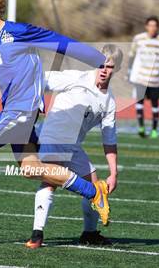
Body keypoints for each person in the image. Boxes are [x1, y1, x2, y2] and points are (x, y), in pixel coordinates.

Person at [0, 0, 111, 231]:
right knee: (31, 169)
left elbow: (58, 41)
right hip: (13, 109)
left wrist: (98, 59)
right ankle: (95, 191)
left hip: (21, 109)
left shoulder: (19, 32)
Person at [25, 44, 122, 249]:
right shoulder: (77, 78)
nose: (105, 70)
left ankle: (89, 233)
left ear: (117, 69)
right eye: (101, 64)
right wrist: (37, 99)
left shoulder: (109, 102)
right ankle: (37, 234)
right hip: (53, 138)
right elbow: (41, 78)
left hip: (74, 145)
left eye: (110, 66)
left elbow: (109, 140)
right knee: (50, 182)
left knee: (94, 184)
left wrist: (113, 173)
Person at [128, 16, 159, 138]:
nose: (152, 28)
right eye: (150, 25)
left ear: (158, 27)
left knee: (155, 104)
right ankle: (141, 127)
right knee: (139, 103)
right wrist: (130, 72)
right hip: (140, 78)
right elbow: (132, 56)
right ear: (146, 26)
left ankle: (154, 130)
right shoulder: (138, 39)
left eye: (155, 26)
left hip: (155, 79)